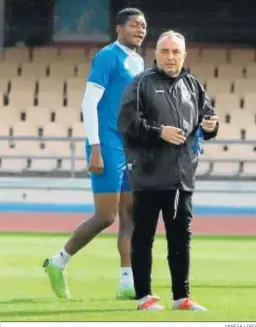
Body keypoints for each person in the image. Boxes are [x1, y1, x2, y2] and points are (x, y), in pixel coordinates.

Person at [43, 8, 147, 300]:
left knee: (130, 216)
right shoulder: (107, 56)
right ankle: (57, 262)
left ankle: (127, 283)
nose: (140, 30)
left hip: (129, 145)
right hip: (107, 142)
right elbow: (89, 102)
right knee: (106, 216)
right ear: (118, 28)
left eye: (144, 26)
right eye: (135, 25)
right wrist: (95, 147)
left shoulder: (139, 61)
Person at [118, 30, 219, 311]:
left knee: (180, 237)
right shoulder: (140, 84)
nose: (171, 57)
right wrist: (158, 131)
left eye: (176, 52)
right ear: (156, 54)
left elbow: (207, 118)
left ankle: (181, 297)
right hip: (148, 175)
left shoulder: (193, 86)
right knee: (144, 237)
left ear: (184, 55)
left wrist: (212, 127)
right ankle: (144, 296)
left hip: (182, 177)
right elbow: (126, 124)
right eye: (165, 51)